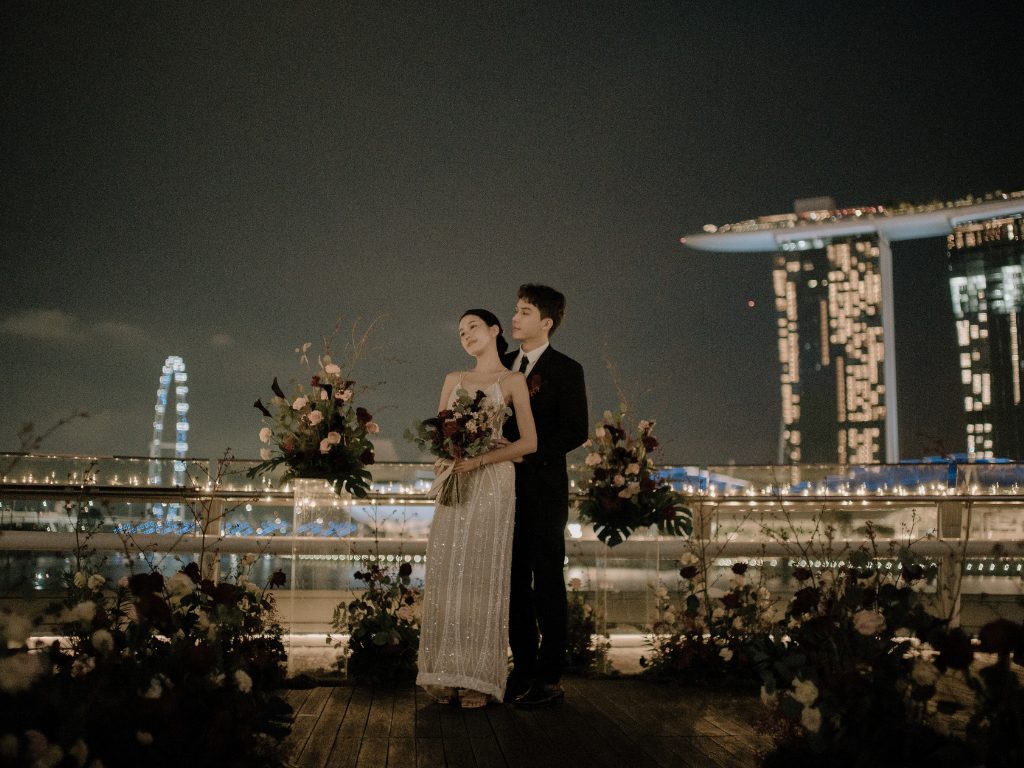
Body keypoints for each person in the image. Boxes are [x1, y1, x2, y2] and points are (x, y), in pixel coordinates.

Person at [416, 309, 537, 708]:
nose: (465, 334)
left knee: (484, 573)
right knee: (449, 570)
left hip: (493, 481)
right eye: (460, 331)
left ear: (494, 330)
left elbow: (529, 443)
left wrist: (483, 456)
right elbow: (438, 434)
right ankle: (445, 671)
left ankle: (479, 678)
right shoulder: (453, 379)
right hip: (457, 478)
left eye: (473, 327)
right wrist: (446, 458)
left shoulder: (512, 380)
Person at [500, 284, 588, 707]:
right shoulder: (502, 364)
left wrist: (526, 453)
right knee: (513, 581)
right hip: (502, 490)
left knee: (547, 581)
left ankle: (549, 677)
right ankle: (521, 668)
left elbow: (576, 430)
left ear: (546, 322)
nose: (515, 318)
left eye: (525, 312)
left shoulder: (567, 369)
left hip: (544, 490)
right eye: (515, 310)